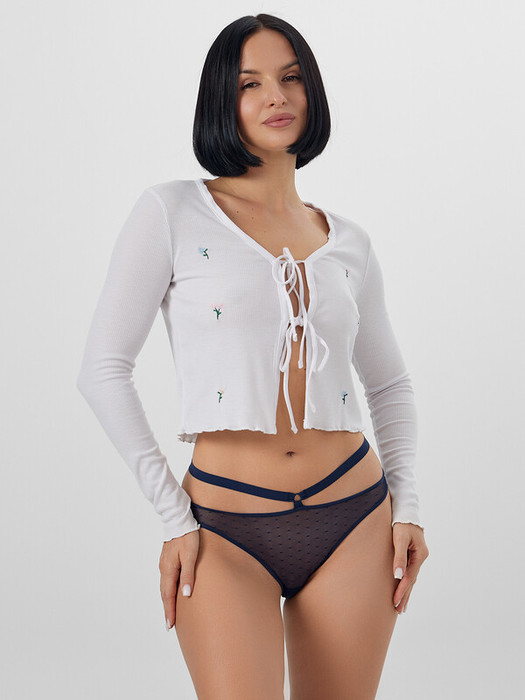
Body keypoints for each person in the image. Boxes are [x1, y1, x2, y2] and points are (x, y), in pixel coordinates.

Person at [77, 12, 429, 700]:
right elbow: (102, 370)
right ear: (222, 98)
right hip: (223, 529)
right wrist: (172, 517)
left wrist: (407, 505)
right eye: (250, 83)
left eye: (291, 78)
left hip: (355, 516)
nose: (276, 96)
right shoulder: (172, 212)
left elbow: (389, 384)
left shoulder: (347, 240)